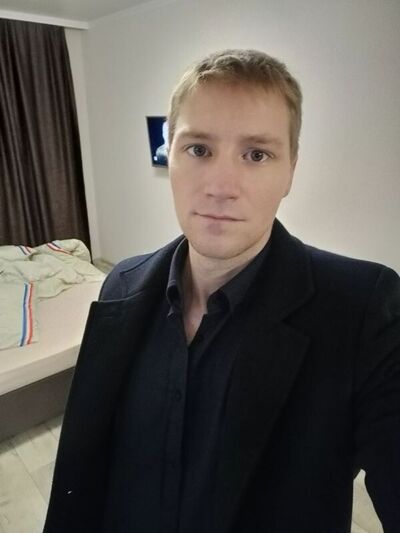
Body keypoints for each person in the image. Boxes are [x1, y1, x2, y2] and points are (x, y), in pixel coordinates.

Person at [43, 49, 400, 533]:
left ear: (291, 170)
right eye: (199, 149)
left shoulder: (363, 308)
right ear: (170, 154)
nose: (220, 186)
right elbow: (86, 472)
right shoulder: (121, 282)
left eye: (256, 154)